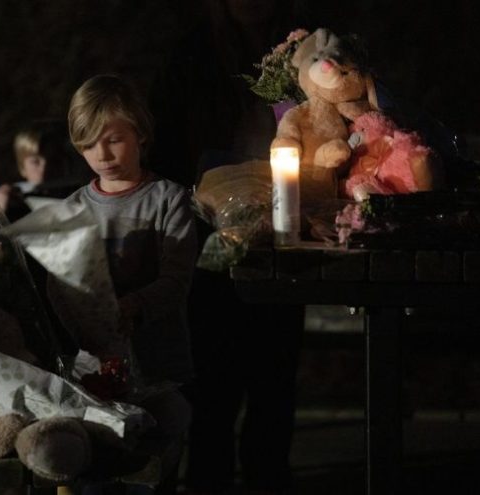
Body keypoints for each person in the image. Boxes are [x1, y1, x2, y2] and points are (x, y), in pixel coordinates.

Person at [148, 2, 306, 494]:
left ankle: (267, 474)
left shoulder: (302, 50)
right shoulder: (193, 54)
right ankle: (208, 478)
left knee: (274, 375)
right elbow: (168, 142)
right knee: (212, 377)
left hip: (285, 231)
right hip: (207, 233)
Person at [64, 74, 197, 495]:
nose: (101, 154)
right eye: (88, 144)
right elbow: (60, 287)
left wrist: (132, 305)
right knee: (97, 473)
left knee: (152, 468)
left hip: (158, 364)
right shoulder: (70, 210)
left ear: (139, 133)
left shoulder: (168, 200)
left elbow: (176, 280)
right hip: (93, 374)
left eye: (113, 139)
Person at [0, 121, 93, 222]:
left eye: (53, 161)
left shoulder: (78, 194)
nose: (45, 169)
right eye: (35, 162)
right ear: (22, 166)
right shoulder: (13, 199)